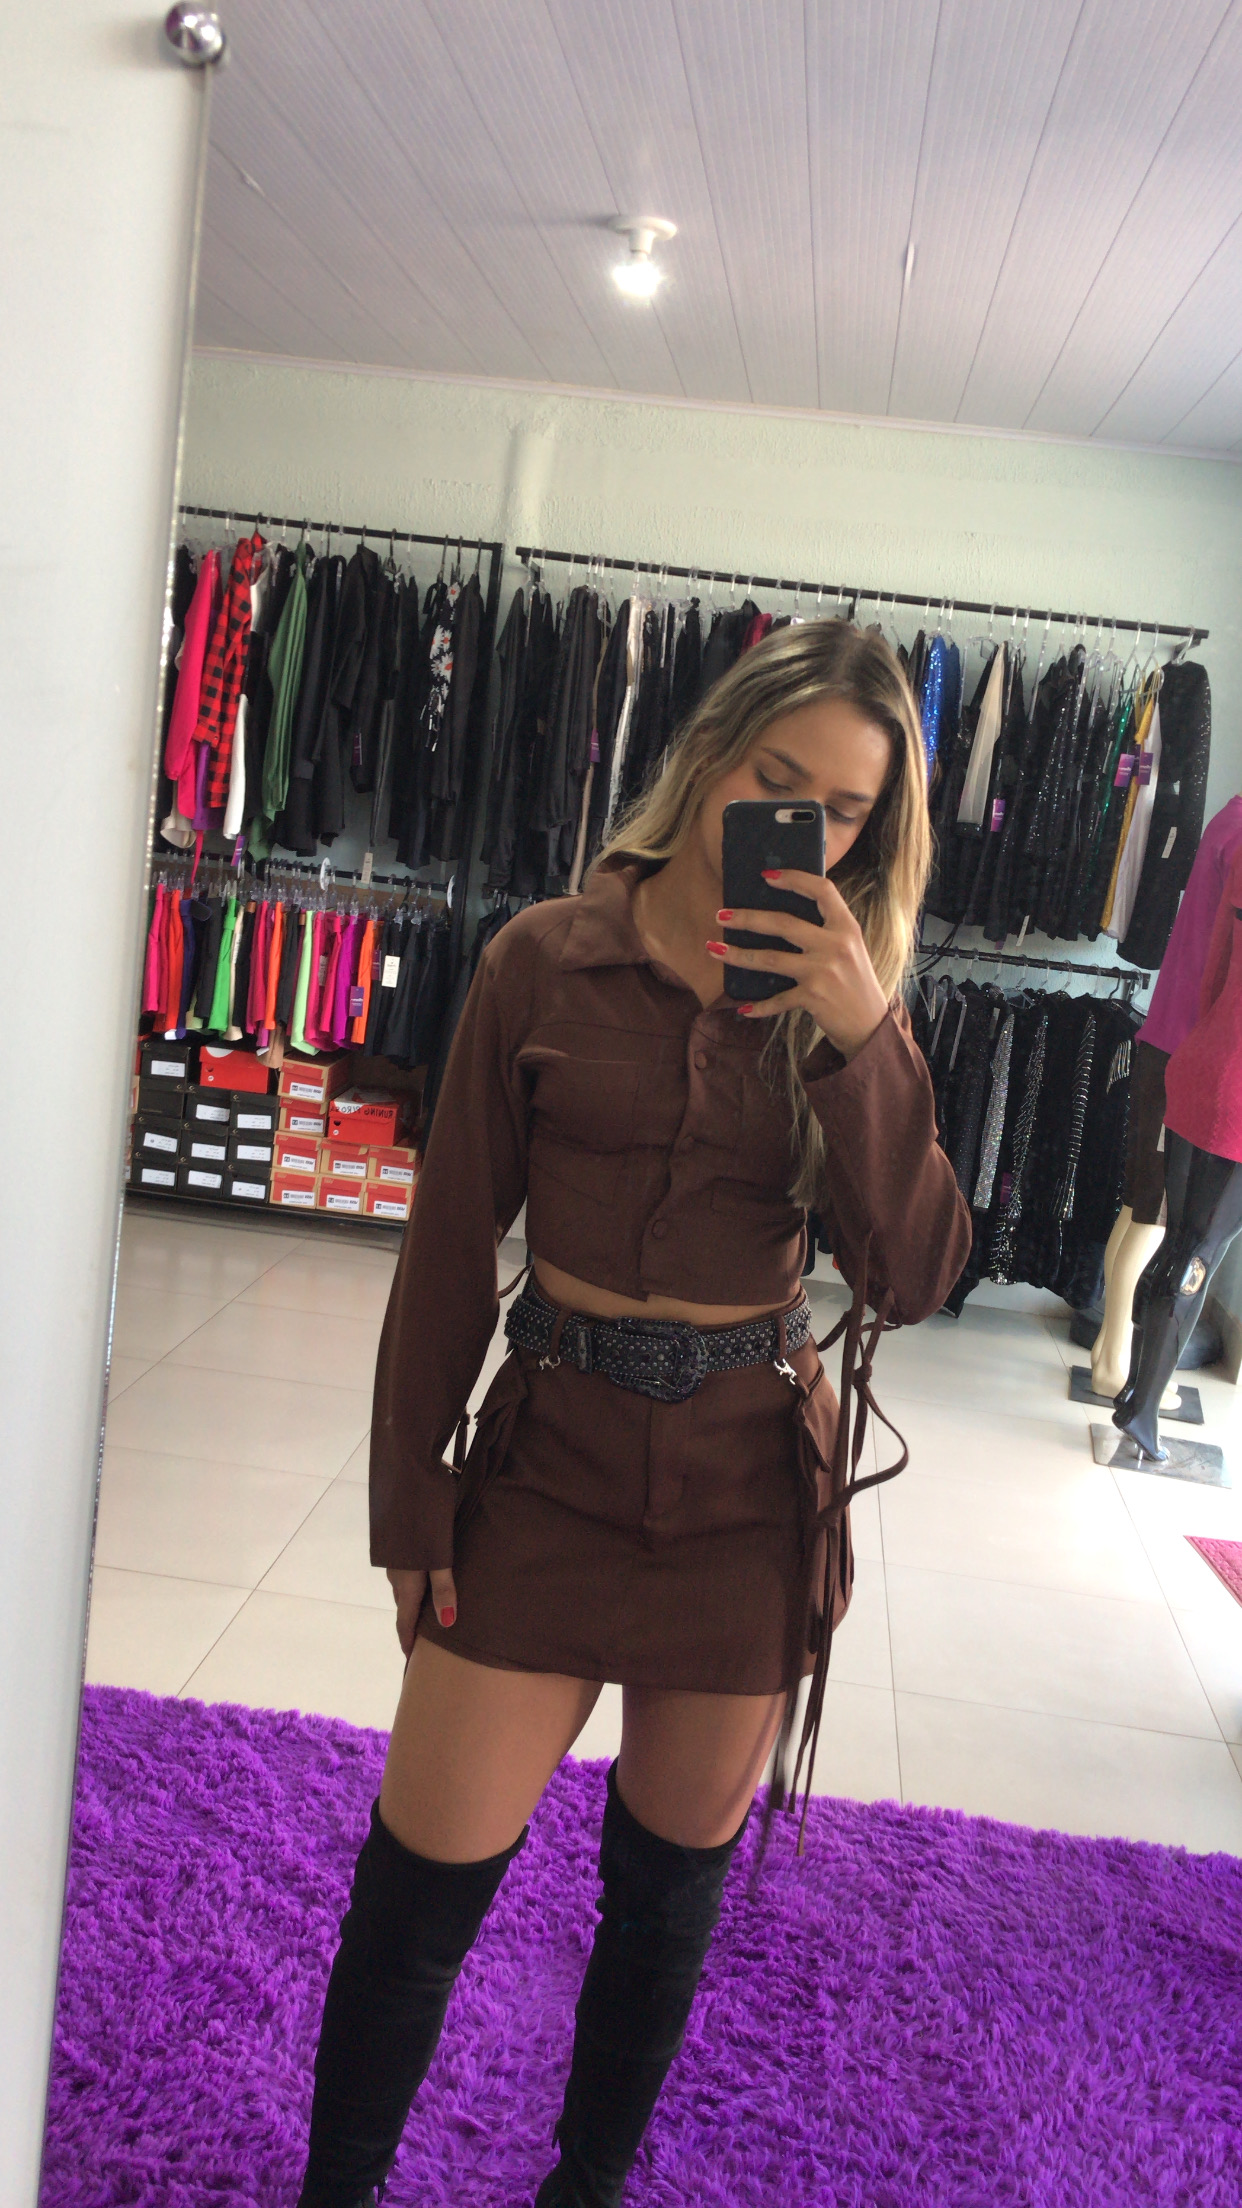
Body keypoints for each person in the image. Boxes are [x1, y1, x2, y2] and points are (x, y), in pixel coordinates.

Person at [296, 620, 971, 2208]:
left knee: (663, 1910)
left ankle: (581, 2193)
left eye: (846, 810)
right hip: (549, 1466)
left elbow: (917, 1274)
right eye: (778, 777)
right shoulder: (542, 957)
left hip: (746, 1495)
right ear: (711, 751)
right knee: (415, 1900)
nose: (805, 825)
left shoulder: (849, 1007)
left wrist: (862, 1040)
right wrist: (411, 1504)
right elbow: (446, 1250)